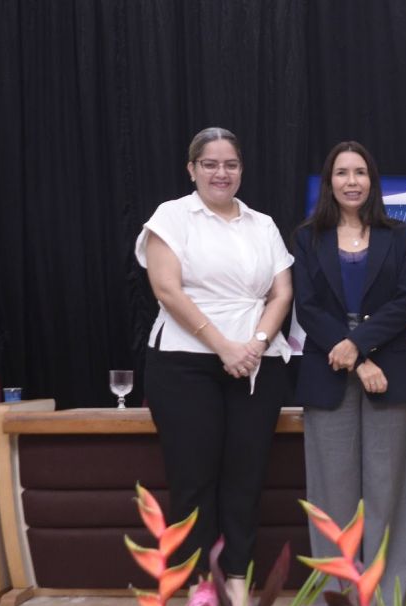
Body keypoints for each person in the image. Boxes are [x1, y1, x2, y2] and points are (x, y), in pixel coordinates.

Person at [136, 127, 294, 582]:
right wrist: (224, 346)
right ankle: (200, 589)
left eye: (230, 164)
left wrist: (256, 344)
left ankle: (238, 584)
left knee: (246, 482)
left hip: (256, 363)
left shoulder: (262, 223)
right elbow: (167, 289)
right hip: (185, 364)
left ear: (241, 169)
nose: (220, 173)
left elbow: (282, 293)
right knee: (193, 481)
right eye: (210, 164)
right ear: (192, 169)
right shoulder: (172, 216)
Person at [293, 142, 406, 605]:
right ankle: (338, 603)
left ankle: (388, 605)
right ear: (330, 182)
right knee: (332, 498)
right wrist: (356, 357)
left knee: (389, 492)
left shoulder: (399, 235)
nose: (352, 181)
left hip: (390, 370)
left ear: (373, 181)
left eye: (360, 172)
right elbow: (307, 306)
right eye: (342, 173)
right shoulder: (307, 237)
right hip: (328, 370)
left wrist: (360, 344)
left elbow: (405, 301)